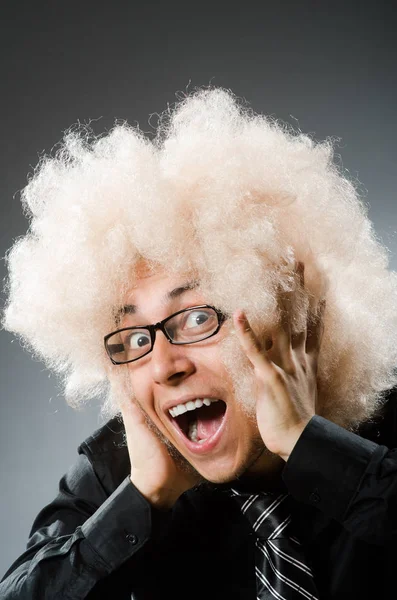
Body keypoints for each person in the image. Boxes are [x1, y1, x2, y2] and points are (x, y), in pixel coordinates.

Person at [1, 87, 397, 600]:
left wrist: (310, 446)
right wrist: (143, 497)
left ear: (281, 311)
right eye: (137, 336)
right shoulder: (121, 469)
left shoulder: (380, 436)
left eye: (193, 319)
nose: (164, 365)